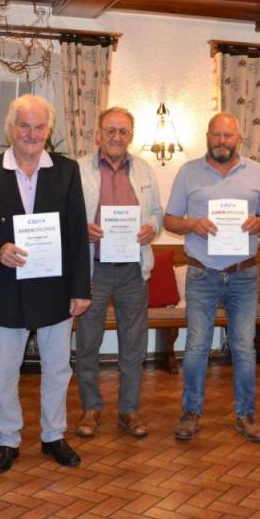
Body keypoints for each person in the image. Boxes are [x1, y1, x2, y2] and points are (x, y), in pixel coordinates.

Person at [0, 94, 91, 472]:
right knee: (4, 371)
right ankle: (7, 439)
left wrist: (80, 289)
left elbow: (76, 232)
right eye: (24, 126)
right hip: (9, 286)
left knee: (57, 368)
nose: (31, 134)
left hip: (56, 287)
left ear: (48, 131)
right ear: (11, 128)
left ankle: (53, 435)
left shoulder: (66, 171)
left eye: (39, 127)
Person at [164, 113, 260, 443]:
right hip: (203, 273)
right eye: (216, 135)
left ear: (238, 138)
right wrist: (192, 224)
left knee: (244, 348)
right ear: (207, 137)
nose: (222, 141)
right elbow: (170, 220)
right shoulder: (188, 172)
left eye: (228, 135)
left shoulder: (257, 172)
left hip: (244, 274)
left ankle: (246, 415)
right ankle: (191, 413)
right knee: (196, 347)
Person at [75, 107, 163, 438]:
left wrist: (151, 227)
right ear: (98, 134)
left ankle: (129, 410)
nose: (116, 136)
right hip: (92, 270)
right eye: (110, 130)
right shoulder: (78, 169)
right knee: (88, 342)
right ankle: (91, 408)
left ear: (131, 136)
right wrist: (81, 228)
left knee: (134, 344)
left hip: (132, 271)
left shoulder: (144, 170)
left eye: (123, 131)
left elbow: (157, 212)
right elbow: (66, 214)